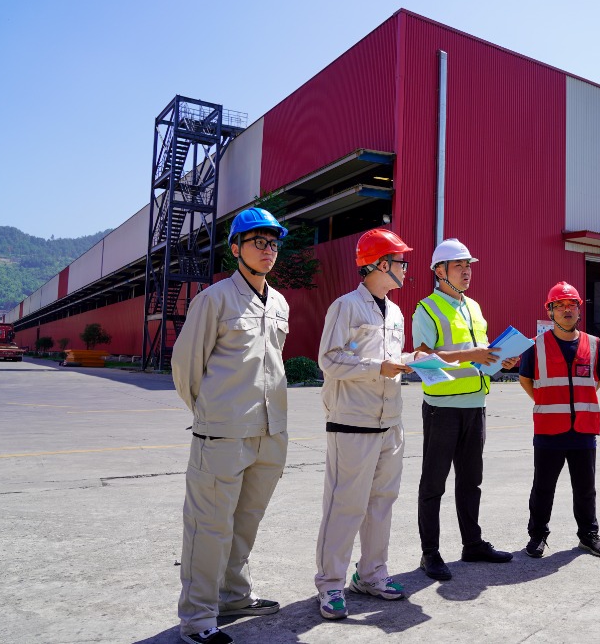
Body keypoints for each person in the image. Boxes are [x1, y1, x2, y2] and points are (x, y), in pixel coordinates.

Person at [171, 207, 291, 644]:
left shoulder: (279, 303)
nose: (268, 250)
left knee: (246, 522)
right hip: (223, 434)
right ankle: (197, 617)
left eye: (273, 243)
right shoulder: (214, 300)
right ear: (236, 248)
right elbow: (186, 367)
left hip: (269, 433)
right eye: (258, 242)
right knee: (209, 527)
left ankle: (234, 595)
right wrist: (212, 414)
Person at [314, 228, 423, 620]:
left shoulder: (395, 312)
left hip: (390, 422)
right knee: (345, 505)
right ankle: (330, 583)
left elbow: (390, 360)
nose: (406, 269)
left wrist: (413, 361)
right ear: (380, 264)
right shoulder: (346, 306)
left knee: (381, 504)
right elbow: (329, 359)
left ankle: (372, 574)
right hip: (353, 422)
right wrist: (378, 367)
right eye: (401, 262)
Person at [412, 238, 516, 581]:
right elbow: (423, 359)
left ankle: (472, 544)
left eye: (468, 265)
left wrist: (500, 360)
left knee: (471, 482)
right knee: (433, 484)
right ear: (439, 271)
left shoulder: (473, 307)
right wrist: (472, 355)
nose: (467, 271)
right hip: (442, 409)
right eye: (459, 265)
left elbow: (481, 354)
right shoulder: (426, 309)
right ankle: (430, 553)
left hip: (476, 405)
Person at [517, 281, 600, 560]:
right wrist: (546, 402)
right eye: (560, 305)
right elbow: (525, 379)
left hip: (583, 430)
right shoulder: (535, 346)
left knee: (585, 488)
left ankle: (588, 535)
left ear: (579, 310)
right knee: (543, 487)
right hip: (549, 429)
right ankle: (537, 535)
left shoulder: (593, 344)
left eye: (572, 305)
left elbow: (596, 381)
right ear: (550, 311)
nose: (567, 310)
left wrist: (578, 402)